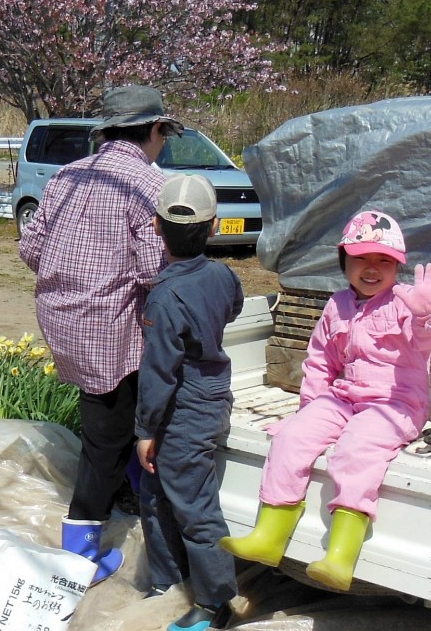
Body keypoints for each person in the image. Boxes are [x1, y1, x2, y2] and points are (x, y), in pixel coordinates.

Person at [220, 210, 431, 591]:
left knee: (356, 449)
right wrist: (307, 412)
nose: (372, 268)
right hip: (345, 397)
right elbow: (320, 361)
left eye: (384, 261)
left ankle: (340, 555)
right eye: (362, 258)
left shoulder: (408, 303)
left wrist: (428, 314)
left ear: (398, 267)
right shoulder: (338, 305)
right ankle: (268, 536)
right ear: (345, 261)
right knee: (292, 437)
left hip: (396, 404)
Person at [18, 84, 182, 584]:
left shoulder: (66, 176)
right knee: (104, 440)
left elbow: (30, 248)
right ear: (155, 131)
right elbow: (154, 266)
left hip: (61, 318)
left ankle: (137, 483)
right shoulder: (150, 186)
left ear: (106, 132)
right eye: (163, 135)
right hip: (110, 329)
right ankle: (80, 551)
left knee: (118, 415)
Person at [134, 173, 244, 631]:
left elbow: (159, 373)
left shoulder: (164, 296)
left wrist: (145, 431)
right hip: (215, 395)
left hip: (183, 410)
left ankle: (215, 601)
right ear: (214, 226)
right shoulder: (222, 274)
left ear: (157, 227)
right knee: (157, 497)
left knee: (195, 507)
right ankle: (167, 582)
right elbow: (234, 307)